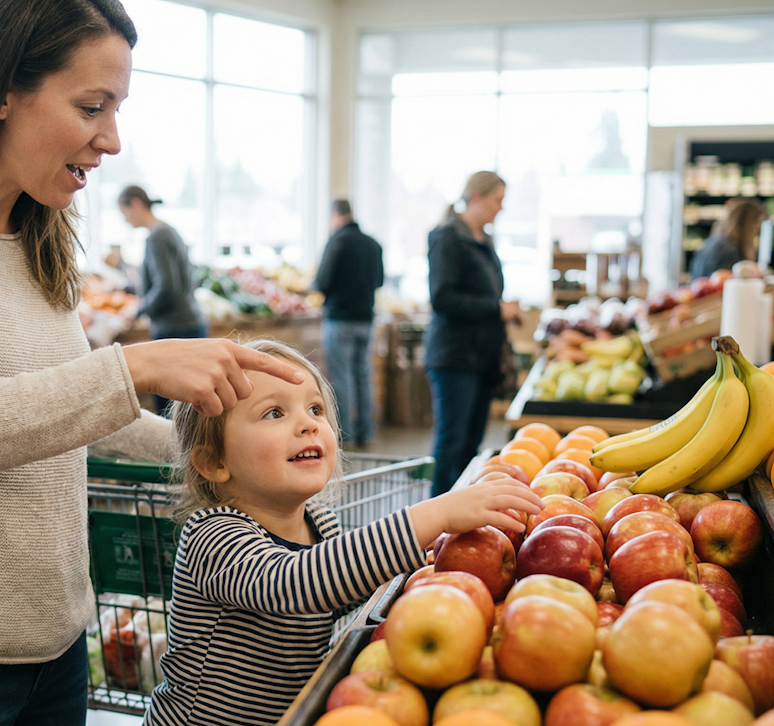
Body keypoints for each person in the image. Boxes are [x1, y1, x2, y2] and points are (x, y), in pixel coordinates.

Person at [0, 1, 307, 723]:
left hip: (57, 645)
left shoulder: (38, 229)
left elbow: (77, 414)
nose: (112, 140)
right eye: (92, 107)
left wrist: (237, 451)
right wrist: (136, 369)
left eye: (117, 110)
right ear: (0, 89)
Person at [142, 339, 542, 726]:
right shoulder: (213, 535)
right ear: (214, 463)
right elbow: (294, 584)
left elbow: (337, 589)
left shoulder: (318, 520)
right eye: (275, 413)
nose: (308, 425)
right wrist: (432, 516)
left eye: (316, 408)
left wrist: (430, 566)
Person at [425, 171, 521, 496]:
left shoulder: (484, 240)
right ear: (477, 197)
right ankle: (437, 515)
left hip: (482, 357)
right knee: (452, 442)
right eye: (497, 200)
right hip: (454, 358)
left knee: (471, 444)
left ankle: (462, 511)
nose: (500, 208)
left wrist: (503, 308)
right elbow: (442, 298)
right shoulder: (448, 237)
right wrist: (496, 308)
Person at [120, 185, 208, 412]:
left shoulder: (156, 237)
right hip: (189, 324)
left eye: (124, 212)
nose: (125, 220)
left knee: (171, 411)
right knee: (189, 411)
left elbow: (166, 287)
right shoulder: (168, 231)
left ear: (136, 204)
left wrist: (139, 310)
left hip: (174, 329)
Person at [314, 198, 384, 447]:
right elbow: (379, 281)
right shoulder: (373, 244)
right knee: (363, 375)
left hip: (340, 319)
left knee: (341, 377)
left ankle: (346, 434)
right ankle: (367, 432)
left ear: (335, 215)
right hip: (366, 319)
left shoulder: (337, 242)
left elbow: (322, 281)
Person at [690, 198, 766, 280]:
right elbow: (727, 280)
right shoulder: (729, 250)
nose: (759, 227)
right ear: (748, 223)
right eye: (758, 222)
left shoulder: (720, 239)